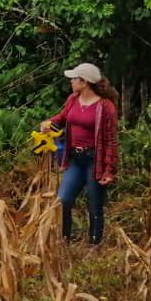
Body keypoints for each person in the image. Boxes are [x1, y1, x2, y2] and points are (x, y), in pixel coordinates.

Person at [39, 62, 120, 244]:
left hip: (94, 160)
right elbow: (62, 118)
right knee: (63, 200)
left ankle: (94, 244)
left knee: (94, 204)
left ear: (85, 82)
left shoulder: (105, 106)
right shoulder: (73, 99)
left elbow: (111, 140)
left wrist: (109, 169)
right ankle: (64, 240)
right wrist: (48, 123)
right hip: (75, 158)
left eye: (74, 79)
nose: (71, 81)